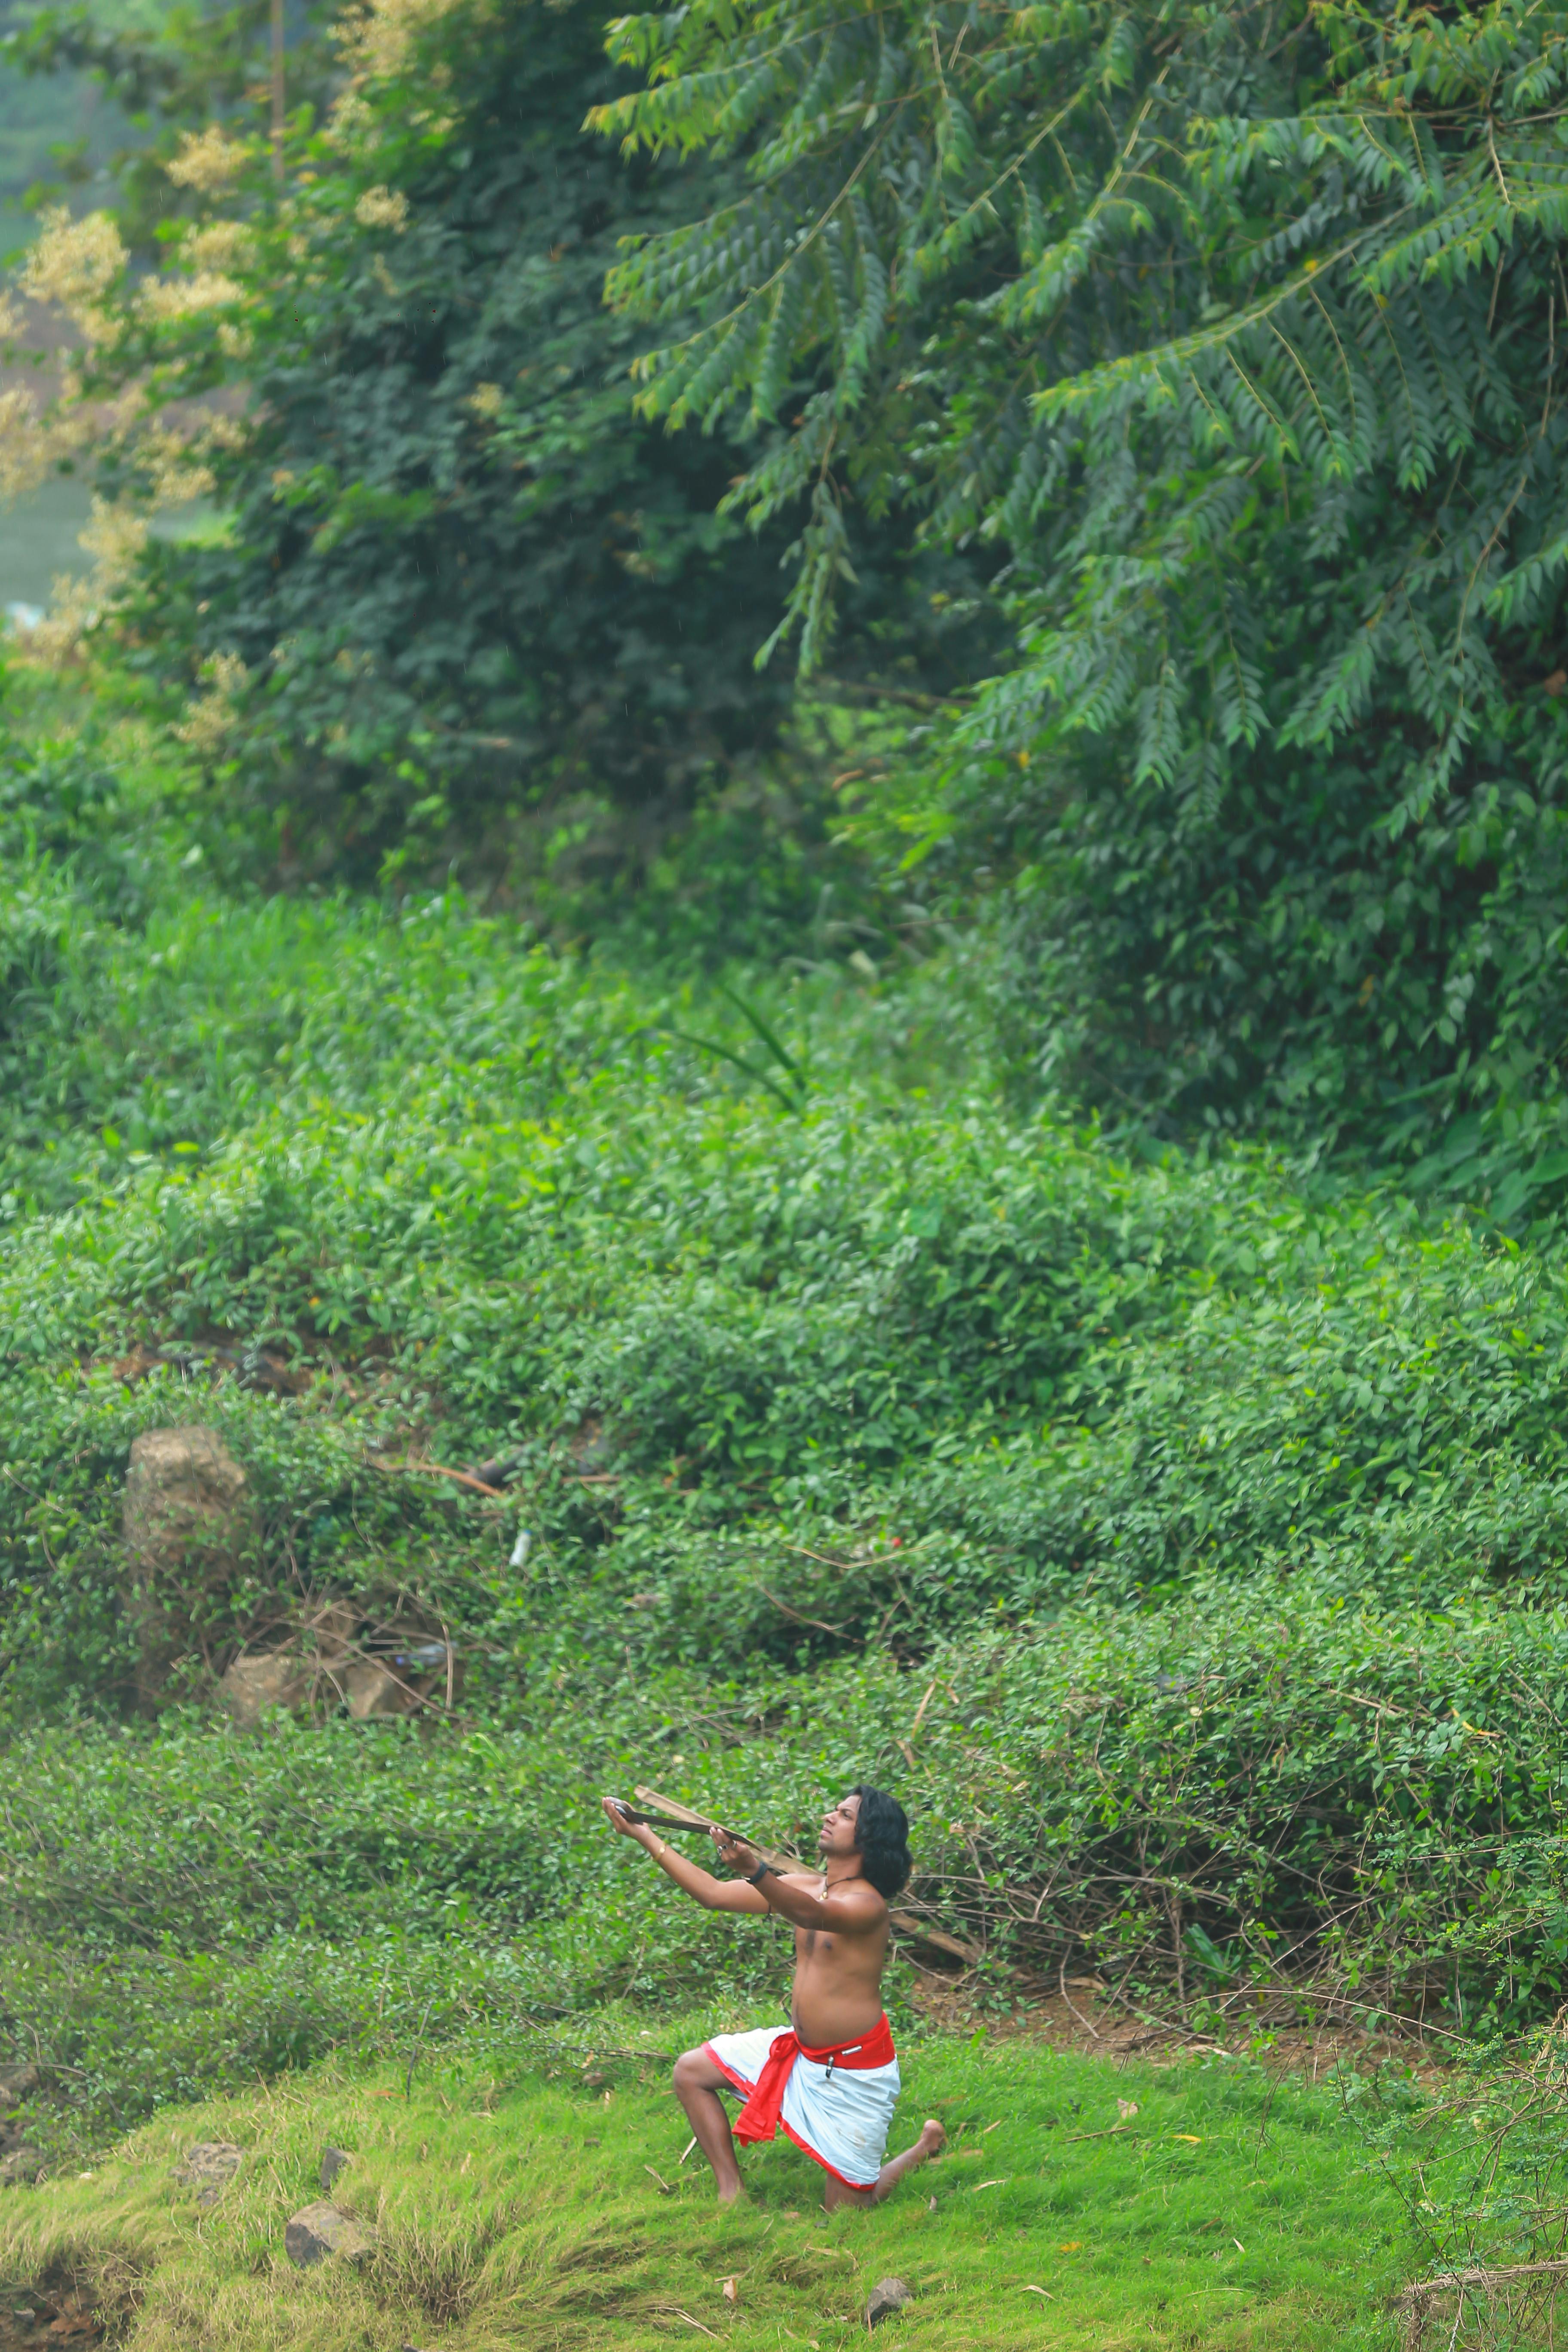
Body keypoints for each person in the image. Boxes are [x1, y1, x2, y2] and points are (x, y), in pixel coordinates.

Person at [601, 1785, 945, 2208]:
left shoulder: (867, 1905)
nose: (829, 1817)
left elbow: (810, 1914)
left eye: (845, 1815)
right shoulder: (807, 1885)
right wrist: (643, 1833)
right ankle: (732, 2193)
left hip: (853, 2073)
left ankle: (922, 2149)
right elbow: (712, 1894)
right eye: (834, 1810)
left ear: (870, 1836)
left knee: (849, 2211)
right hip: (801, 2052)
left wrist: (756, 1872)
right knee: (690, 2073)